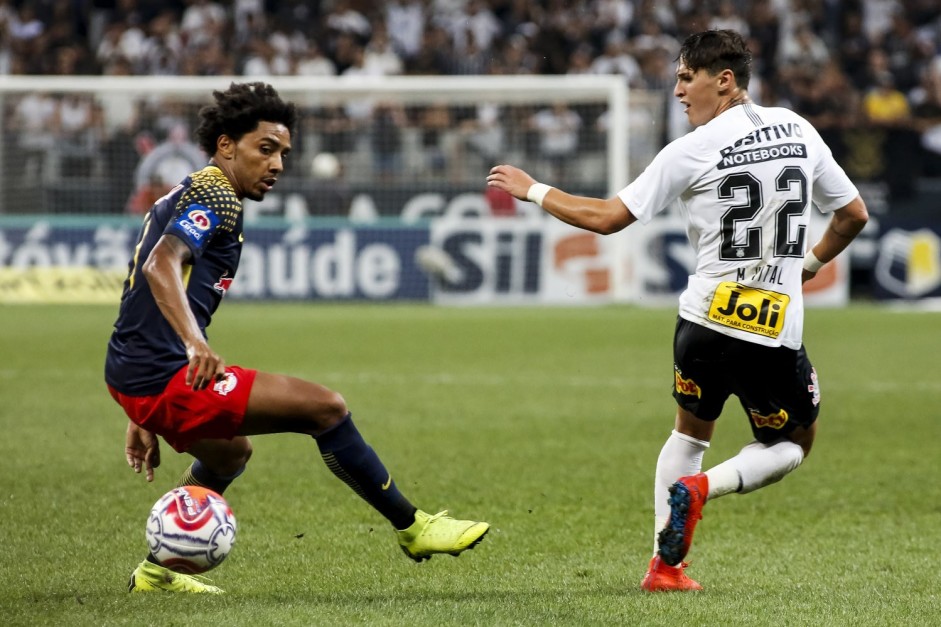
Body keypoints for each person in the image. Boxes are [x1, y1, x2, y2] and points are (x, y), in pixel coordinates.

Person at [487, 30, 868, 592]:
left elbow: (608, 218)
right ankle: (702, 491)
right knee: (792, 444)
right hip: (771, 328)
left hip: (704, 322)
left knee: (689, 434)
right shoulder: (799, 130)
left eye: (687, 78)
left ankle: (665, 569)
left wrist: (534, 189)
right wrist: (807, 267)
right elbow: (853, 214)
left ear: (725, 80)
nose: (677, 91)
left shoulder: (692, 150)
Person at [106, 82, 489, 594]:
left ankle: (157, 573)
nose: (278, 164)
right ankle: (414, 527)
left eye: (284, 153)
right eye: (265, 149)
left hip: (139, 372)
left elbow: (142, 292)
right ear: (226, 146)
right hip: (159, 373)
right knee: (325, 408)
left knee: (229, 454)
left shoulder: (196, 190)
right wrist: (191, 347)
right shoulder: (215, 192)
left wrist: (140, 406)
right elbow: (160, 265)